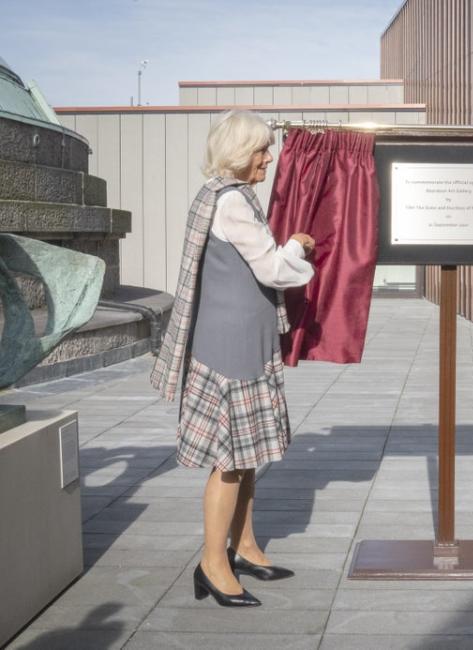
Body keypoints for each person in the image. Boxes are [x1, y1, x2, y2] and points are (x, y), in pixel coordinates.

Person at [150, 110, 316, 607]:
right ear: (240, 155)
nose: (269, 158)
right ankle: (212, 562)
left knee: (244, 457)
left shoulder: (223, 196)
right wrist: (297, 245)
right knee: (229, 461)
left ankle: (243, 547)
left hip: (239, 343)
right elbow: (272, 269)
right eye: (262, 150)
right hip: (231, 350)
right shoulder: (233, 204)